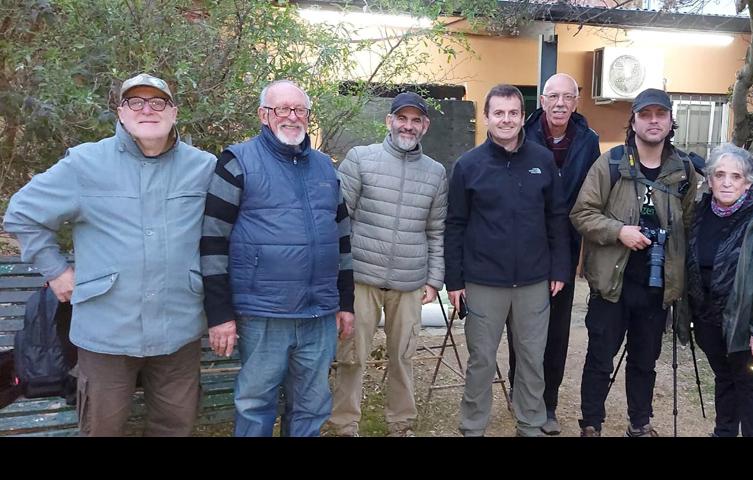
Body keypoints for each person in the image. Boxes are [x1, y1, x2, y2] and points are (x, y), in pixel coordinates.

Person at [4, 73, 215, 436]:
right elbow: (22, 214)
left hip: (179, 328)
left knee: (175, 426)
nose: (147, 110)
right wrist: (56, 271)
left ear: (174, 112)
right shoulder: (85, 164)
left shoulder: (203, 167)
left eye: (158, 102)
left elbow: (231, 226)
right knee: (102, 428)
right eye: (135, 102)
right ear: (120, 112)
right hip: (107, 330)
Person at [200, 79, 354, 437]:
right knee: (256, 406)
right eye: (282, 109)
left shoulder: (326, 168)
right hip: (263, 313)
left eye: (300, 110)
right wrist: (220, 314)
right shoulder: (237, 162)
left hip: (319, 313)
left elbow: (343, 240)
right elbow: (212, 241)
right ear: (263, 115)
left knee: (312, 406)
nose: (292, 116)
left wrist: (345, 302)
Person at [570, 88, 699, 437]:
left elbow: (689, 226)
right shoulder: (611, 163)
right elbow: (582, 213)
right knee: (600, 358)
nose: (653, 121)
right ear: (634, 121)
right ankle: (592, 423)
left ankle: (639, 423)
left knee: (645, 361)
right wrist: (619, 231)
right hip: (613, 282)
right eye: (646, 114)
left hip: (657, 286)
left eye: (660, 114)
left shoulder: (685, 170)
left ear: (671, 121)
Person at [444, 84, 570, 437]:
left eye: (513, 113)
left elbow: (556, 217)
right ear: (486, 117)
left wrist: (560, 268)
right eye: (498, 113)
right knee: (481, 361)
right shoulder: (468, 166)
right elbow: (455, 225)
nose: (506, 119)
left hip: (534, 281)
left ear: (522, 117)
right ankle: (473, 427)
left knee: (532, 358)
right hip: (483, 281)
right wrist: (454, 281)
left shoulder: (542, 161)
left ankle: (530, 425)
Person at [328, 92, 447, 437]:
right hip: (362, 277)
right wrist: (339, 275)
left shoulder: (436, 173)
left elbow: (436, 230)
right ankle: (345, 424)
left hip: (409, 282)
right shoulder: (360, 159)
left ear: (425, 126)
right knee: (352, 356)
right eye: (402, 118)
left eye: (415, 120)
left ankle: (401, 423)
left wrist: (434, 279)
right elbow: (339, 219)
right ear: (389, 121)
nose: (408, 126)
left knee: (403, 356)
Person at [506, 73, 600, 435]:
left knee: (557, 329)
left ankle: (548, 403)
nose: (560, 103)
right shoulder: (523, 133)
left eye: (568, 97)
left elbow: (591, 193)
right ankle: (519, 389)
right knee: (522, 324)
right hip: (524, 241)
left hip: (565, 243)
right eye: (553, 96)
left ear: (576, 102)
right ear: (542, 101)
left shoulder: (589, 141)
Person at [684, 143, 753, 436]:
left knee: (752, 386)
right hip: (711, 321)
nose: (726, 182)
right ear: (709, 180)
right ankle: (724, 432)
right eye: (719, 175)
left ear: (748, 183)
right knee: (724, 379)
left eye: (736, 176)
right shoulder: (699, 213)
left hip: (751, 328)